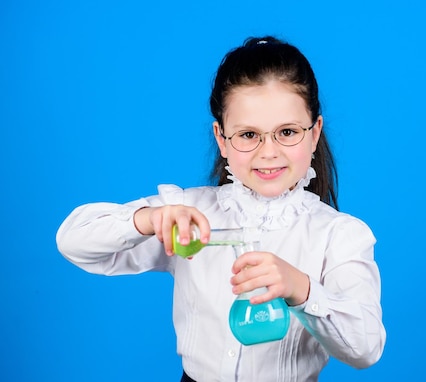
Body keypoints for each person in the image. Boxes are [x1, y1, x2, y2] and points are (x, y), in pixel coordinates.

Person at [56, 36, 385, 381]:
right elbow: (73, 241)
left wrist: (300, 289)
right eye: (247, 135)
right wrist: (147, 220)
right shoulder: (187, 213)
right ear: (221, 138)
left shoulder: (339, 235)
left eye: (287, 132)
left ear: (314, 133)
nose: (268, 152)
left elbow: (365, 349)